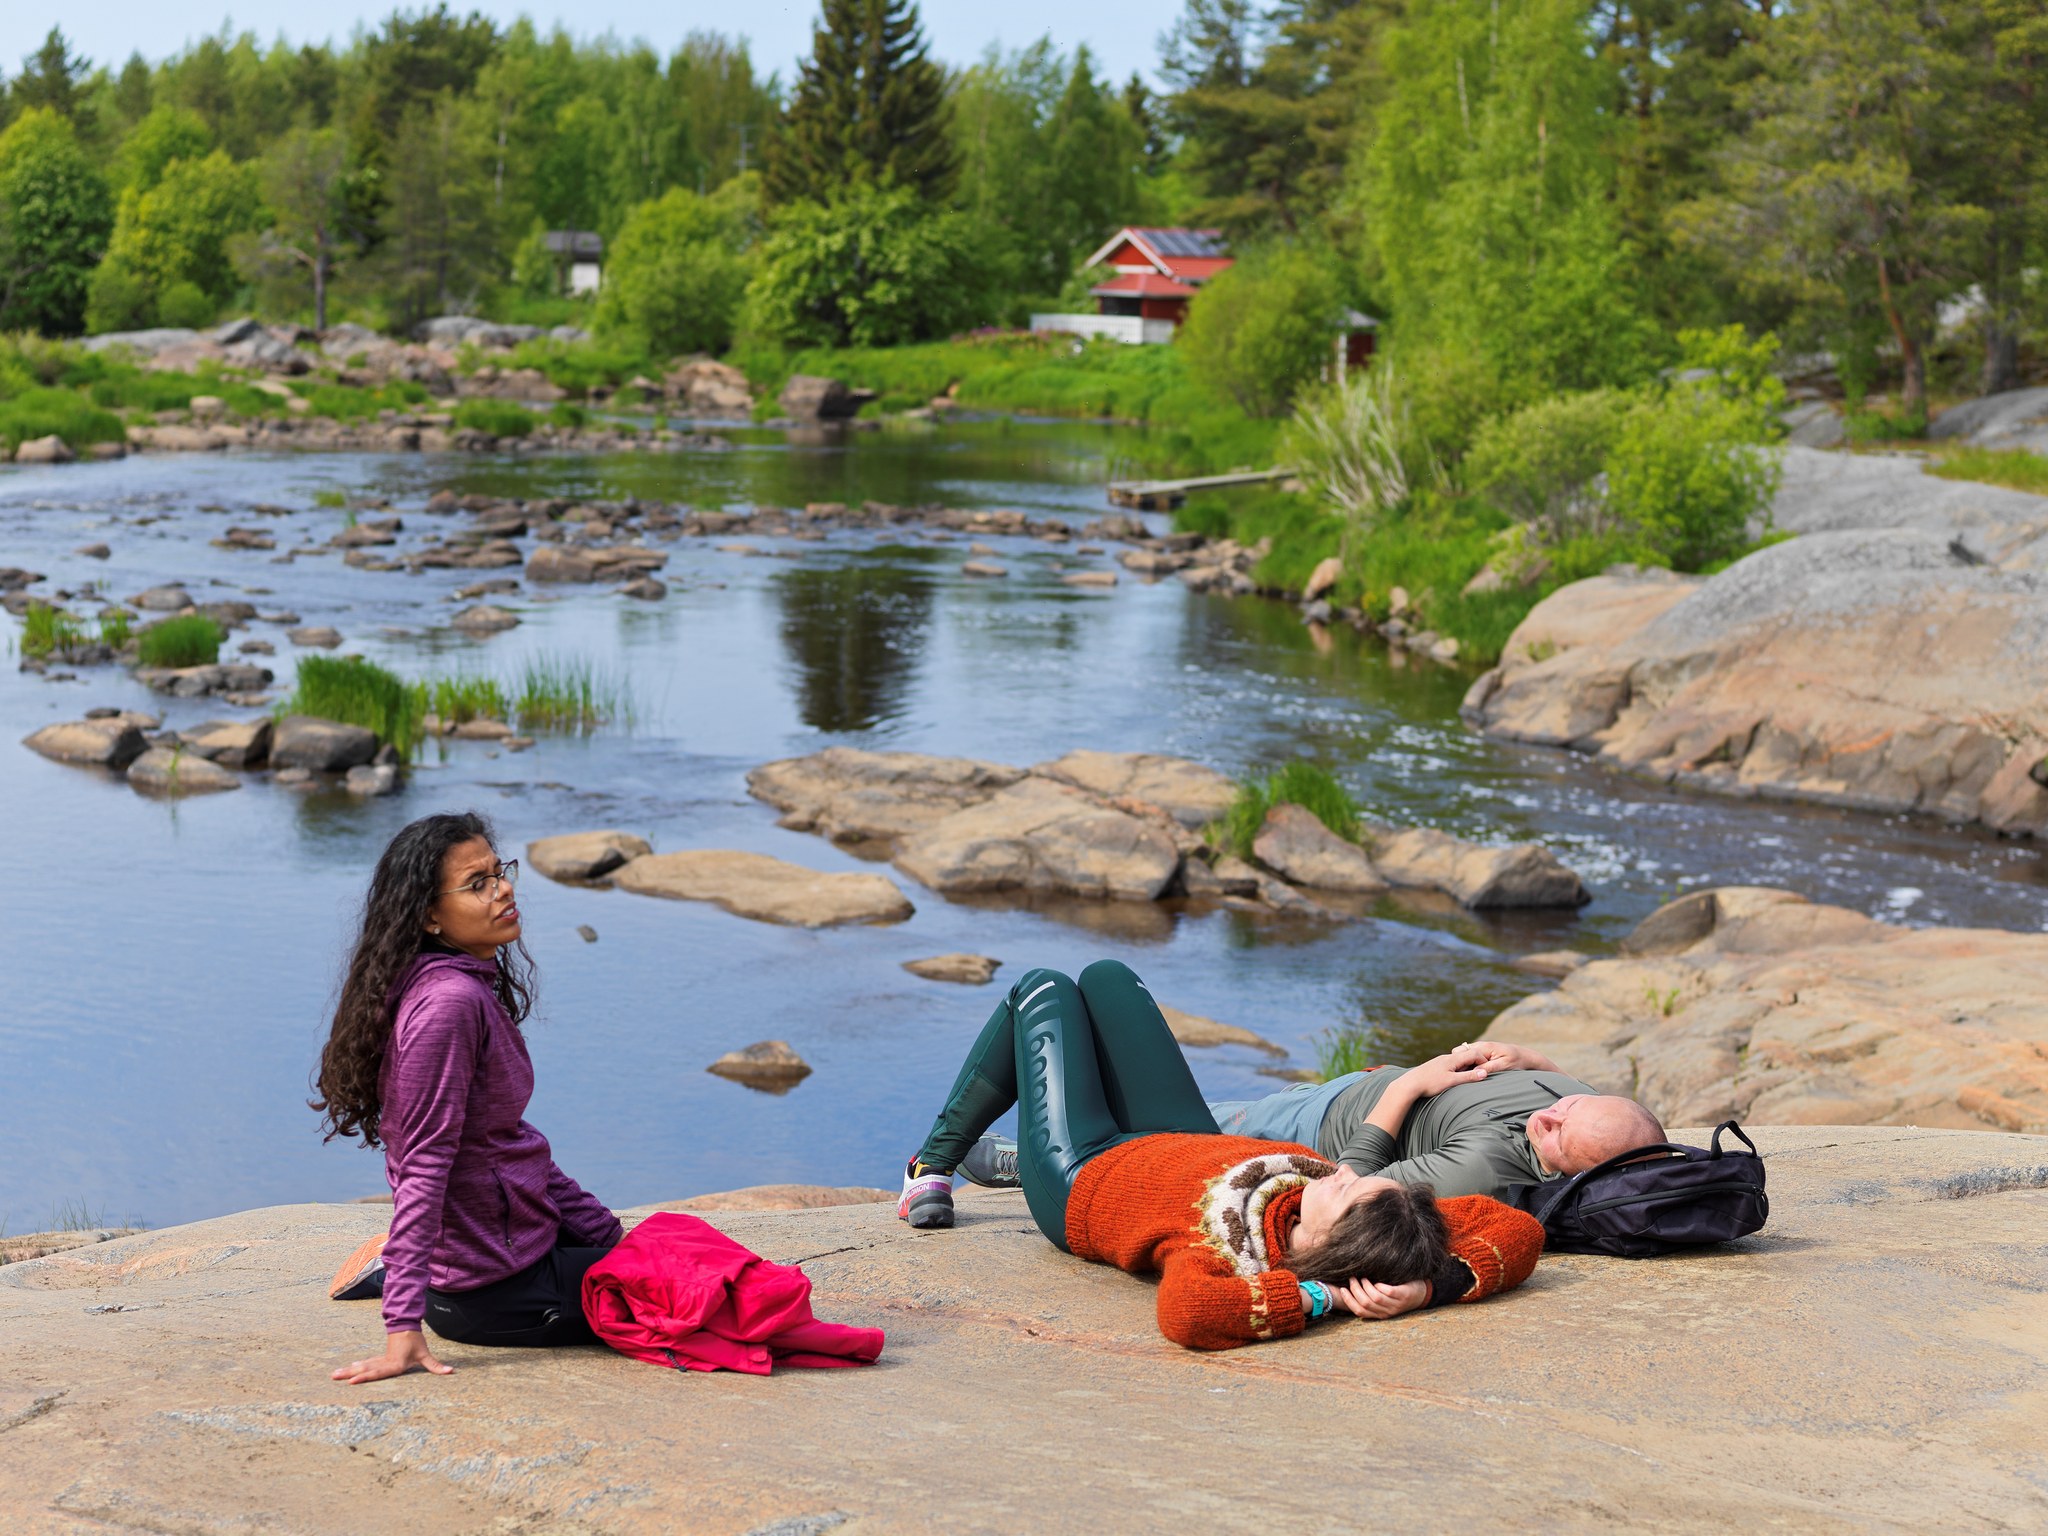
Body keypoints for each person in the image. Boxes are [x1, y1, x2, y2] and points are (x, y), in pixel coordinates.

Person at [897, 960, 1543, 1350]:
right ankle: (1021, 1151)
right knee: (1106, 981)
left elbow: (1186, 1315)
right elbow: (1519, 1230)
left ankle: (930, 1168)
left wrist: (1327, 1299)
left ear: (1330, 1250)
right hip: (1183, 1135)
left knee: (1042, 991)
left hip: (1084, 1175)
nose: (1347, 1174)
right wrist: (1430, 1288)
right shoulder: (1376, 1216)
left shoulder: (1233, 1248)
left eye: (1346, 1194)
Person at [314, 811, 623, 1385]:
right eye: (477, 884)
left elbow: (505, 1144)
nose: (503, 888)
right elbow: (425, 1165)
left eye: (498, 871)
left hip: (508, 1253)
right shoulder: (449, 1005)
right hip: (498, 1293)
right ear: (430, 916)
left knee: (667, 1253)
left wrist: (609, 1236)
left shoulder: (456, 981)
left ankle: (397, 1263)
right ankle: (402, 1273)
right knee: (710, 1294)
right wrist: (402, 1329)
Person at [1202, 1040, 1667, 1198]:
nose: (1549, 1113)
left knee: (1167, 1119)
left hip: (1319, 1120)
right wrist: (1533, 1058)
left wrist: (1407, 1087)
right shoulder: (1580, 1100)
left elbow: (1347, 1183)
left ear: (1574, 1178)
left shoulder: (1483, 1170)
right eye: (1571, 1105)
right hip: (1360, 1082)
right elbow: (1573, 1102)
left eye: (1559, 1135)